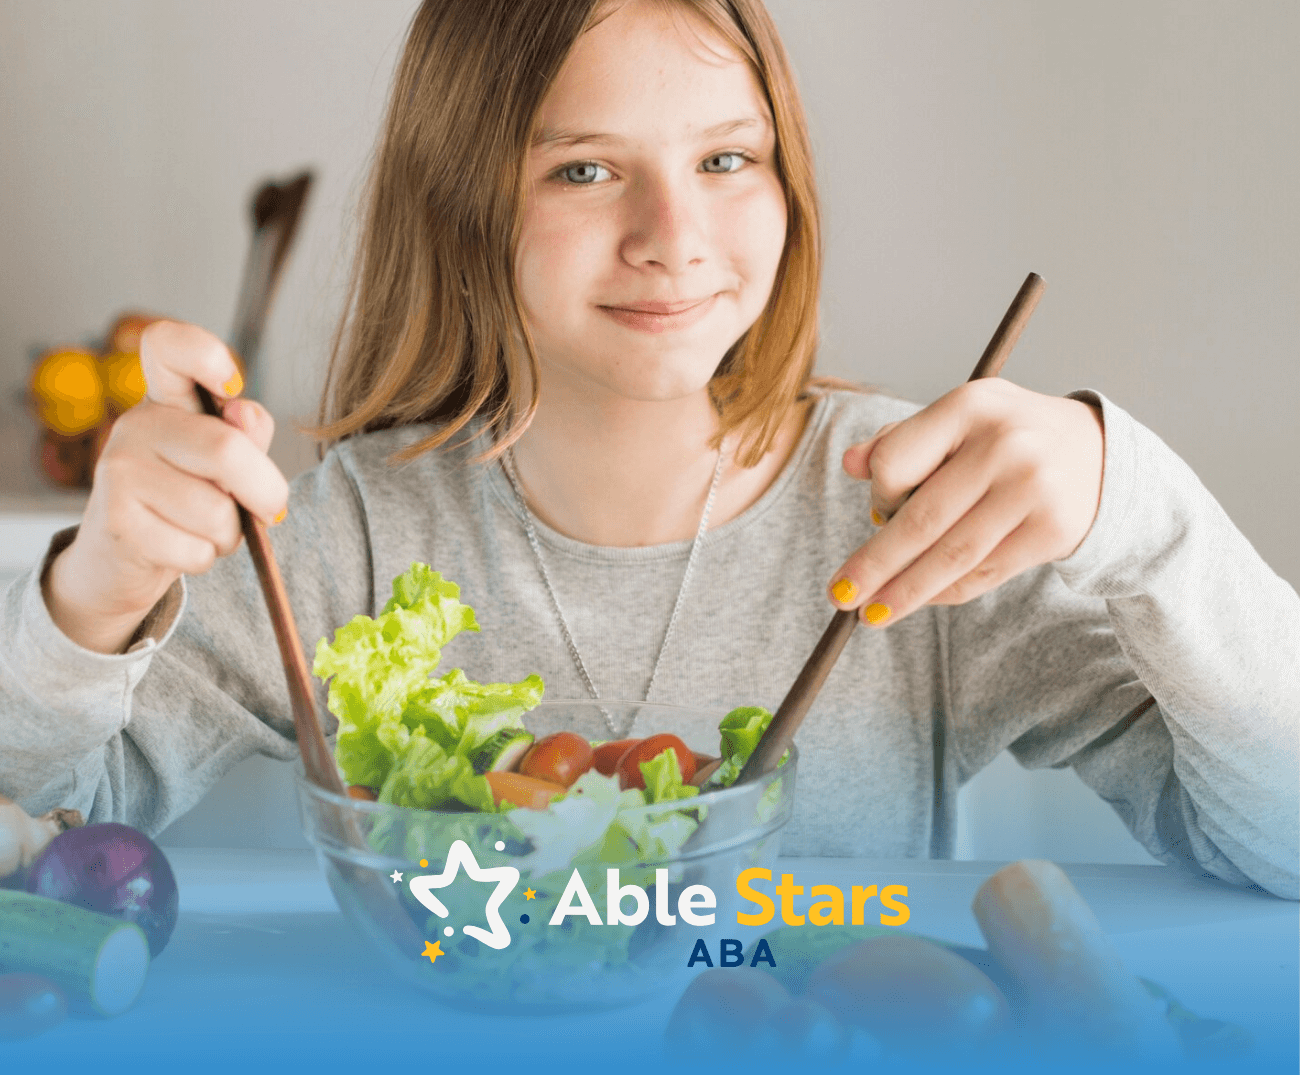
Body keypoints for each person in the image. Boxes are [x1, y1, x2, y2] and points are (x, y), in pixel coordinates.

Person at [2, 0, 1296, 899]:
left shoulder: (919, 517)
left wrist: (1147, 516)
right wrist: (95, 592)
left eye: (728, 158)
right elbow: (35, 842)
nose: (675, 236)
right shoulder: (347, 537)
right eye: (583, 171)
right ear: (462, 202)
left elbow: (1280, 845)